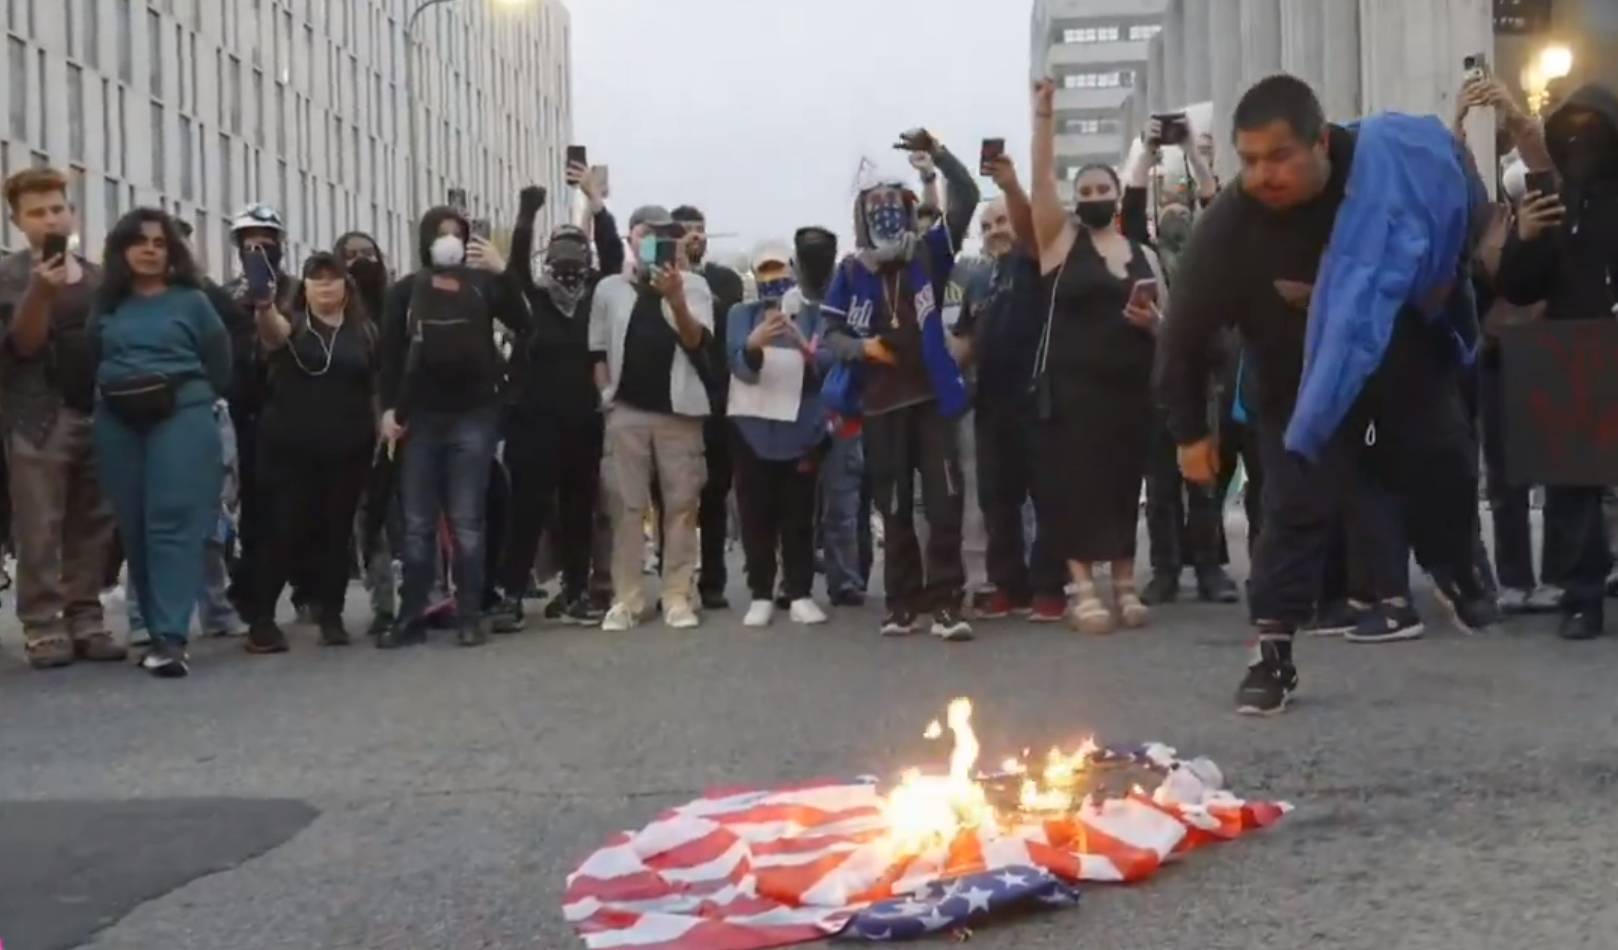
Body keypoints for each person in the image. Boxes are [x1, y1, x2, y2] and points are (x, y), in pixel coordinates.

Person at [1157, 75, 1484, 714]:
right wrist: (1190, 434)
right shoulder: (1229, 227)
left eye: (1280, 157)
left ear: (1323, 143)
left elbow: (1459, 204)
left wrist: (1446, 273)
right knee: (1293, 508)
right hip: (1300, 390)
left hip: (1400, 365)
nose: (1262, 176)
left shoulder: (1387, 167)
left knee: (1444, 461)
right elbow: (1183, 335)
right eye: (1248, 160)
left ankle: (1458, 568)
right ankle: (1273, 651)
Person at [821, 127, 981, 641]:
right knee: (892, 507)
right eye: (877, 206)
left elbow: (969, 197)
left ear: (910, 208)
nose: (886, 213)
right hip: (880, 404)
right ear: (863, 217)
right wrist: (861, 348)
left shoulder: (931, 253)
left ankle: (947, 602)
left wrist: (936, 152)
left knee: (943, 503)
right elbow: (830, 334)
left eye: (896, 204)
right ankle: (901, 603)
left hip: (932, 397)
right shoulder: (850, 271)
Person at [1028, 80, 1167, 634]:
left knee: (1121, 483)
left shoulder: (1142, 253)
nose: (1091, 196)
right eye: (1082, 189)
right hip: (1072, 391)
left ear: (1116, 194)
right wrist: (1043, 118)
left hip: (1129, 390)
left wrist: (1153, 323)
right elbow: (1040, 189)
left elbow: (1170, 324)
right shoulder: (1062, 245)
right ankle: (1082, 585)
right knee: (1075, 486)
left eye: (1100, 187)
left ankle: (1125, 585)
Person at [1497, 81, 1618, 639]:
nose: (1580, 140)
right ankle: (1582, 595)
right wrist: (1525, 237)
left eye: (1593, 127)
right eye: (1570, 127)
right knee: (1572, 486)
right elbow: (1520, 289)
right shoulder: (1550, 198)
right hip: (1571, 353)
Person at [92, 208, 232, 678]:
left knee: (172, 520)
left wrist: (194, 399)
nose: (150, 250)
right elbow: (89, 356)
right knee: (134, 526)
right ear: (121, 250)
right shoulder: (106, 304)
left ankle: (172, 639)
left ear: (172, 251)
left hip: (182, 413)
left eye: (159, 242)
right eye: (139, 241)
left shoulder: (193, 301)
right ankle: (151, 631)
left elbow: (221, 362)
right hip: (116, 418)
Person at [377, 207, 526, 648]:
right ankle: (412, 614)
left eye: (456, 235)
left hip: (473, 414)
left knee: (467, 522)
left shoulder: (481, 285)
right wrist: (389, 411)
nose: (449, 242)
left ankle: (469, 614)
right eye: (441, 234)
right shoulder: (406, 291)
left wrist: (504, 273)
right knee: (418, 524)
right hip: (420, 416)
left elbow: (524, 321)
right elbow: (389, 354)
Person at [0, 167, 122, 668]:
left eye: (56, 208)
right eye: (37, 212)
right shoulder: (10, 277)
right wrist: (40, 293)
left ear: (70, 213)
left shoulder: (96, 278)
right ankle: (42, 622)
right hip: (37, 416)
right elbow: (22, 346)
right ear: (17, 221)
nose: (49, 219)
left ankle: (85, 614)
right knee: (39, 524)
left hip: (98, 409)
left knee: (93, 521)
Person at [497, 164, 624, 629]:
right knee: (526, 512)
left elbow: (612, 257)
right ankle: (510, 592)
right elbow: (511, 271)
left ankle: (574, 591)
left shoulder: (597, 297)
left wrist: (597, 205)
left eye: (578, 254)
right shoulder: (532, 301)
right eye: (561, 254)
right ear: (547, 260)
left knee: (578, 512)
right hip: (532, 425)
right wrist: (526, 217)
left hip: (584, 424)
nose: (570, 266)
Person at [589, 206, 716, 631]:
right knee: (625, 506)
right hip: (626, 411)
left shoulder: (694, 285)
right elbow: (597, 350)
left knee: (681, 505)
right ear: (632, 241)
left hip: (679, 413)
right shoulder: (609, 289)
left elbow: (697, 340)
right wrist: (607, 395)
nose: (656, 246)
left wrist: (675, 296)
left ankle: (677, 593)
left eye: (666, 238)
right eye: (648, 237)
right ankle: (626, 597)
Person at [244, 252, 378, 652]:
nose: (325, 285)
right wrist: (264, 305)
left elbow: (374, 386)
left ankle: (331, 615)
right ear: (304, 287)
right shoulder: (294, 325)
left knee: (336, 534)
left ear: (345, 286)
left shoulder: (365, 332)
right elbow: (272, 334)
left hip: (348, 449)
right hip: (289, 450)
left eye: (332, 278)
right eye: (316, 279)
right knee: (282, 531)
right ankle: (263, 619)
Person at [959, 156, 1067, 623]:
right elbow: (961, 344)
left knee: (1046, 495)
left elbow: (1030, 227)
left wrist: (1009, 185)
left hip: (1038, 397)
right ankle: (1009, 585)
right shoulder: (979, 280)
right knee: (996, 498)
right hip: (990, 403)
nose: (996, 230)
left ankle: (1048, 587)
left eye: (1001, 220)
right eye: (988, 225)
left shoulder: (1035, 262)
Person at [726, 241, 831, 627]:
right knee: (755, 514)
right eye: (764, 271)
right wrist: (756, 342)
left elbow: (827, 367)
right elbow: (738, 364)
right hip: (752, 428)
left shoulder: (813, 314)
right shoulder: (741, 313)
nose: (774, 278)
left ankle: (800, 591)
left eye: (779, 270)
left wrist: (803, 344)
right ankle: (760, 593)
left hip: (801, 428)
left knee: (799, 514)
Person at [223, 203, 302, 623]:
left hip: (284, 410)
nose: (257, 248)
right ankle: (243, 588)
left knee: (282, 508)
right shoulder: (226, 293)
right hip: (237, 409)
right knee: (242, 507)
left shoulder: (296, 291)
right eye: (249, 241)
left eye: (265, 241)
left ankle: (284, 590)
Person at [671, 205, 745, 610]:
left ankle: (713, 580)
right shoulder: (659, 281)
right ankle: (675, 580)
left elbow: (720, 320)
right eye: (686, 230)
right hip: (676, 401)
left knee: (715, 493)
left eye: (701, 229)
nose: (695, 235)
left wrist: (693, 282)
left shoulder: (725, 280)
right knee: (675, 497)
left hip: (718, 400)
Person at [796, 226, 866, 607]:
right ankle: (793, 579)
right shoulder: (789, 302)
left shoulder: (848, 297)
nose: (816, 262)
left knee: (845, 503)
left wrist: (818, 355)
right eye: (809, 254)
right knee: (797, 504)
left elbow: (846, 350)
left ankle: (848, 579)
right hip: (798, 415)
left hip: (843, 416)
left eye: (823, 253)